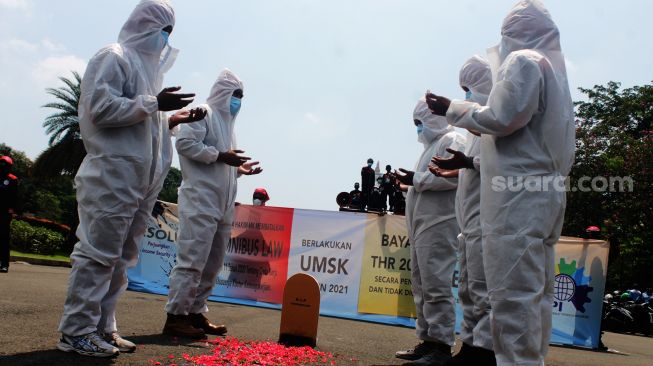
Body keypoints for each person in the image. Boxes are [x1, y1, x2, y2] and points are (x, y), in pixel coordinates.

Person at [426, 1, 575, 364]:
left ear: (512, 32)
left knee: (512, 296)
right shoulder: (554, 70)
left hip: (516, 200)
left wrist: (451, 109)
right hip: (540, 195)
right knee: (532, 295)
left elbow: (502, 117)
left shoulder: (524, 60)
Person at [58, 0, 205, 357]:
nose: (166, 40)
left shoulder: (150, 72)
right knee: (98, 254)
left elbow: (143, 124)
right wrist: (155, 104)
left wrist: (172, 119)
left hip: (140, 183)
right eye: (164, 31)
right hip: (112, 175)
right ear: (145, 24)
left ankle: (103, 327)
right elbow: (101, 109)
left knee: (122, 259)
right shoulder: (114, 56)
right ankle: (75, 330)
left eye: (171, 33)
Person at [164, 69, 263, 339]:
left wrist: (239, 169)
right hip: (200, 200)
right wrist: (220, 156)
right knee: (192, 260)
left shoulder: (229, 126)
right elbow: (184, 144)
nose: (238, 101)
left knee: (213, 263)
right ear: (223, 92)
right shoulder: (203, 112)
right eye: (236, 95)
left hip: (222, 204)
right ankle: (176, 317)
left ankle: (195, 312)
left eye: (242, 96)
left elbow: (222, 162)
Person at [430, 56, 495, 366]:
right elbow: (473, 167)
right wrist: (454, 171)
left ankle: (484, 353)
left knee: (484, 291)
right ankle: (469, 347)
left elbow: (501, 161)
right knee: (468, 289)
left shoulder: (498, 120)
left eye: (468, 90)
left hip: (488, 218)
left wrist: (467, 163)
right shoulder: (474, 129)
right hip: (469, 221)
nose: (466, 97)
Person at [393, 99, 465, 365]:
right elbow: (429, 180)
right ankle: (427, 341)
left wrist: (417, 180)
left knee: (436, 286)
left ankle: (442, 346)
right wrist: (407, 185)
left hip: (440, 224)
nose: (418, 129)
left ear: (433, 118)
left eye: (419, 122)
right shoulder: (430, 146)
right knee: (422, 286)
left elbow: (449, 175)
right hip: (423, 226)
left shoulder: (453, 138)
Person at [0, 155, 18, 273]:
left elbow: (15, 197)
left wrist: (12, 209)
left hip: (4, 213)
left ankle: (4, 264)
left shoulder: (12, 179)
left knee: (4, 239)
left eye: (5, 165)